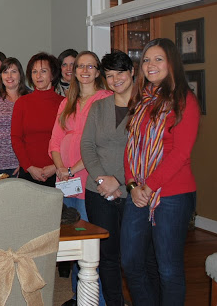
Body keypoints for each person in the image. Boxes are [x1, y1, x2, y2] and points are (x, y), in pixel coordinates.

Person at [121, 38, 199, 306]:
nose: (150, 65)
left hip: (172, 195)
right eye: (146, 60)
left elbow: (180, 153)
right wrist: (132, 185)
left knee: (168, 269)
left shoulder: (185, 101)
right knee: (130, 261)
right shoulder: (142, 101)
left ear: (172, 63)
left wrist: (149, 185)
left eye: (158, 59)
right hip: (139, 193)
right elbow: (132, 146)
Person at [49, 50, 110, 306]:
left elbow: (100, 145)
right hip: (65, 182)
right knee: (73, 245)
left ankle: (100, 301)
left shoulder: (105, 100)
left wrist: (73, 169)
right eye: (79, 66)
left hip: (89, 181)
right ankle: (78, 297)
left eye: (90, 66)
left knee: (90, 248)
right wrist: (61, 167)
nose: (84, 71)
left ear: (98, 71)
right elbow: (55, 140)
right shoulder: (67, 101)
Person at [80, 51, 134, 306]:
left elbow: (146, 153)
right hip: (98, 191)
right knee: (107, 255)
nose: (115, 80)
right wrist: (103, 180)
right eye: (110, 75)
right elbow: (87, 146)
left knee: (134, 256)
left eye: (120, 73)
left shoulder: (145, 106)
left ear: (132, 71)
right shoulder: (99, 107)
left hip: (133, 192)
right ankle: (115, 302)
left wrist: (120, 182)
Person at [11, 52, 64, 187]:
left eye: (43, 71)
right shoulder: (22, 103)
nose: (38, 76)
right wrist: (29, 167)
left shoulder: (64, 104)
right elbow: (16, 138)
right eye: (34, 72)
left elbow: (69, 142)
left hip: (58, 172)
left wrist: (55, 166)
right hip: (28, 172)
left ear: (52, 74)